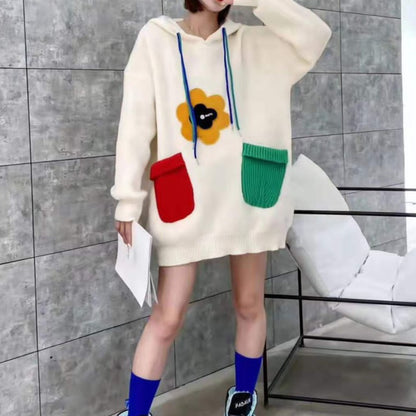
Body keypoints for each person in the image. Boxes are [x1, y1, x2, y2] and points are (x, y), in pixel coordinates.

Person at [111, 0, 332, 415]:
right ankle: (137, 411)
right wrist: (127, 201)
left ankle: (243, 398)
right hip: (185, 198)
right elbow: (135, 126)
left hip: (246, 198)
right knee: (168, 316)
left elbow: (315, 35)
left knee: (249, 304)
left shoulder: (253, 44)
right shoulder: (156, 40)